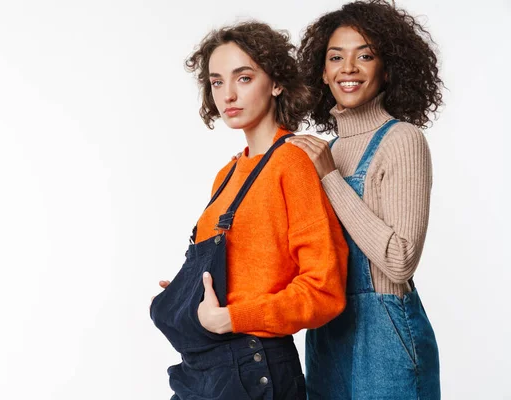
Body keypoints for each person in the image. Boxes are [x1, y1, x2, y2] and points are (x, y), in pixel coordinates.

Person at [149, 21, 348, 400]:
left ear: (275, 83)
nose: (228, 95)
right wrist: (188, 289)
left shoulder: (293, 162)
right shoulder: (227, 172)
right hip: (201, 367)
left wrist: (233, 317)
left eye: (243, 78)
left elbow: (324, 290)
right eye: (217, 82)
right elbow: (245, 266)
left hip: (254, 367)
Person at [287, 1, 443, 398]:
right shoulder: (328, 150)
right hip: (327, 333)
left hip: (386, 334)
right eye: (336, 57)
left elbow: (400, 261)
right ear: (322, 73)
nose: (349, 68)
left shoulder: (402, 140)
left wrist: (330, 178)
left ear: (387, 69)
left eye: (366, 55)